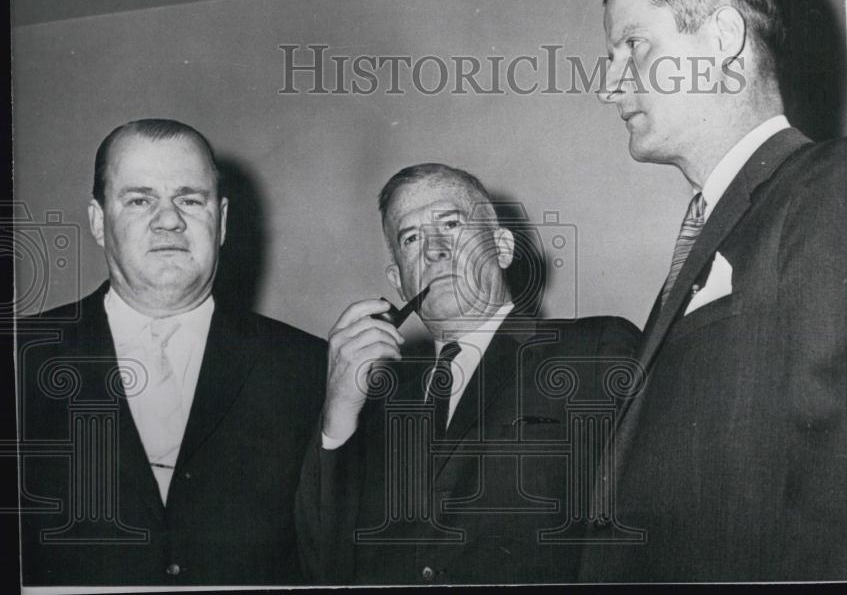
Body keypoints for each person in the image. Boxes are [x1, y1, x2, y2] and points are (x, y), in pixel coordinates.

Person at [580, 0, 847, 581]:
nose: (609, 83)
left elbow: (837, 482)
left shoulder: (831, 185)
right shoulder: (717, 221)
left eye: (633, 46)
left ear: (722, 38)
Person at [296, 163, 640, 585]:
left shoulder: (594, 348)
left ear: (502, 247)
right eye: (411, 238)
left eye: (452, 224)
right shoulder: (374, 407)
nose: (434, 250)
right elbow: (320, 567)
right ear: (398, 281)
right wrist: (338, 413)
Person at [18, 119, 326, 585]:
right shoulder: (19, 358)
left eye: (190, 199)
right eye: (140, 200)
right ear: (98, 221)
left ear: (222, 221)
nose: (169, 220)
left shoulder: (308, 368)